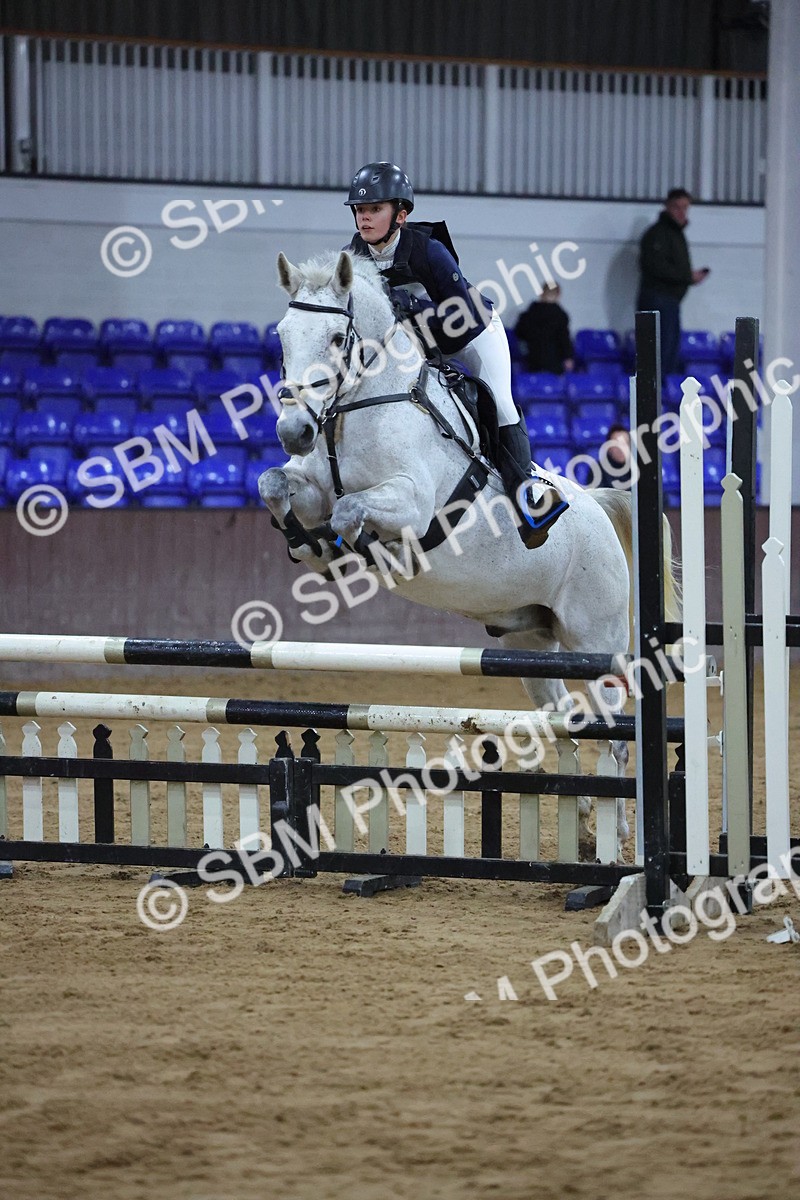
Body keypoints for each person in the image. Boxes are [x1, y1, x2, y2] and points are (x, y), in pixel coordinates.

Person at [344, 161, 566, 548]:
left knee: (499, 403)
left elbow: (460, 318)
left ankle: (528, 499)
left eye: (374, 209)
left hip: (472, 332)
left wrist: (405, 305)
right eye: (360, 210)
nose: (364, 218)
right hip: (414, 343)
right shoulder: (355, 254)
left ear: (401, 214)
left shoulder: (428, 251)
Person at [637, 187, 709, 376]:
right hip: (659, 300)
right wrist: (687, 276)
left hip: (670, 301)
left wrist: (687, 277)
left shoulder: (674, 234)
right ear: (667, 207)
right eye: (677, 207)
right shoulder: (658, 234)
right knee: (661, 352)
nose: (681, 212)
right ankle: (656, 397)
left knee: (669, 351)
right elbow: (656, 267)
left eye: (685, 207)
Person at [514, 283, 574, 374]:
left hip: (532, 359)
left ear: (542, 293)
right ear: (558, 295)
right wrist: (568, 357)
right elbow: (564, 338)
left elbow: (519, 333)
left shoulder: (530, 313)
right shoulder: (560, 315)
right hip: (554, 361)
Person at [595, 424, 632, 490]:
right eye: (616, 444)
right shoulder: (597, 471)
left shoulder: (637, 467)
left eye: (625, 443)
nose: (621, 449)